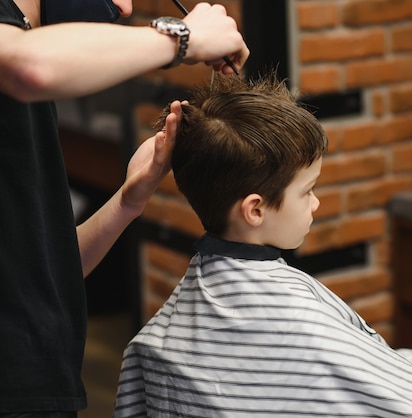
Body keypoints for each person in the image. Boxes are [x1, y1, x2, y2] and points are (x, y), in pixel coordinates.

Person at [114, 73, 412, 417]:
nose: (316, 203)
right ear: (255, 210)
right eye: (307, 190)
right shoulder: (302, 323)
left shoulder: (158, 334)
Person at [0, 0, 249, 415]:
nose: (123, 6)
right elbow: (27, 67)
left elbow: (43, 267)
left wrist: (128, 201)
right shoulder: (21, 59)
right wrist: (182, 38)